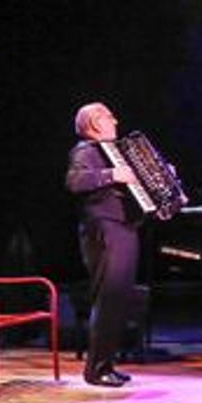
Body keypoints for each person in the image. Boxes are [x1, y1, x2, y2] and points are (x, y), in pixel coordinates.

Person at [66, 102, 140, 387]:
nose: (115, 120)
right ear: (95, 123)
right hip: (105, 230)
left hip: (122, 227)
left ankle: (106, 364)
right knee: (108, 300)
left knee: (118, 301)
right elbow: (74, 182)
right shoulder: (85, 150)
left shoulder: (111, 152)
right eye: (109, 116)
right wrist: (112, 175)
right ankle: (96, 370)